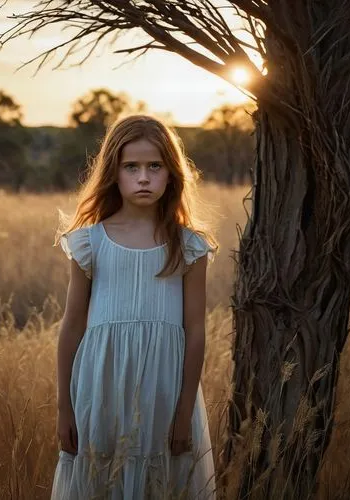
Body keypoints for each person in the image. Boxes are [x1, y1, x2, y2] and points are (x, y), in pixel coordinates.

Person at [51, 115, 219, 499]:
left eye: (154, 166)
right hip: (101, 388)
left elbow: (195, 333)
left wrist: (183, 414)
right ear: (115, 172)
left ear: (171, 173)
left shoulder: (188, 245)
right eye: (132, 167)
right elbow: (72, 327)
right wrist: (65, 408)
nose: (143, 177)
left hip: (166, 391)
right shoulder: (89, 243)